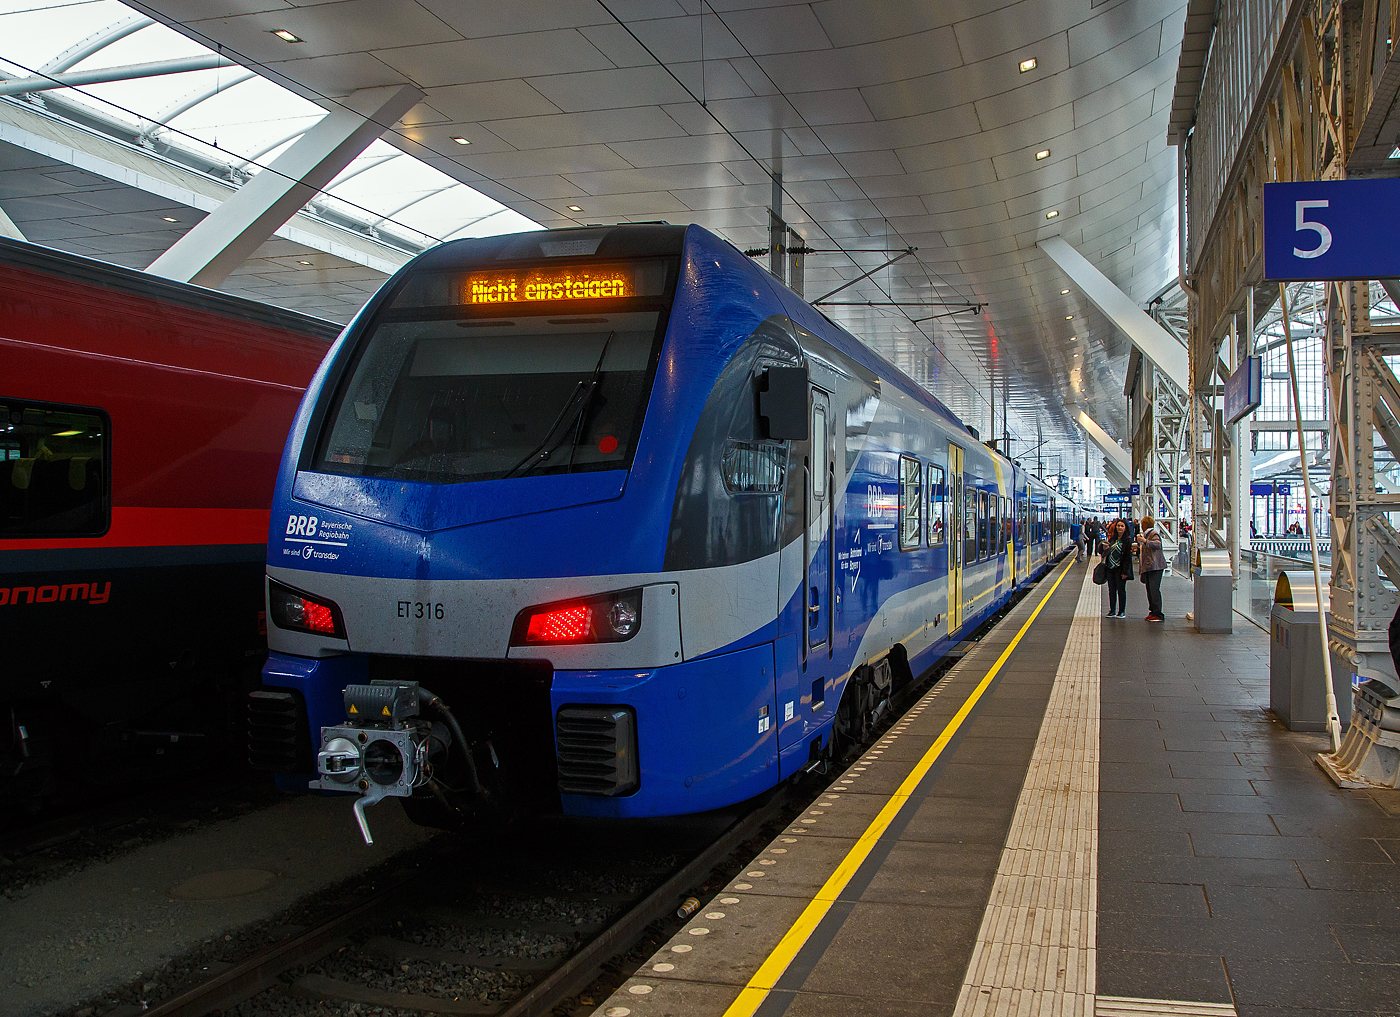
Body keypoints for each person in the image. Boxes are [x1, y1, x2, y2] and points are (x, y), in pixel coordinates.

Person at [1136, 515, 1167, 622]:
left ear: (1144, 525)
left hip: (1155, 567)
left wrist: (1145, 541)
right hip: (1150, 567)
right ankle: (1153, 612)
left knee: (1154, 590)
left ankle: (1158, 614)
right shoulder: (1147, 534)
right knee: (1149, 590)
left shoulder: (1153, 534)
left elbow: (1158, 544)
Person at [1099, 519, 1133, 618]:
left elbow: (1128, 557)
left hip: (1120, 569)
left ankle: (1121, 611)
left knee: (1121, 590)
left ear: (1125, 528)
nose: (1120, 528)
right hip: (1110, 568)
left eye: (1122, 526)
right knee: (1111, 590)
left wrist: (1125, 571)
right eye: (1118, 526)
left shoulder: (1127, 540)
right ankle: (1112, 610)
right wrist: (1104, 548)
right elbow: (1104, 552)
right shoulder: (1112, 539)